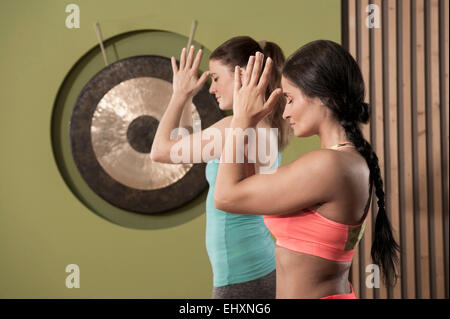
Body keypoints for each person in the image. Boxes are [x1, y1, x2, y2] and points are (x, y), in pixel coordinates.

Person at [214, 40, 400, 299]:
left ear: (324, 97)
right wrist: (248, 123)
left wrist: (241, 119)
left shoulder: (329, 164)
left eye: (290, 99)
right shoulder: (347, 160)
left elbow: (225, 196)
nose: (286, 112)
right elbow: (244, 192)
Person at [150, 36, 290, 298]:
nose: (211, 88)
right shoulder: (265, 127)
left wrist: (179, 95)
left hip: (241, 275)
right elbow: (183, 145)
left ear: (242, 75)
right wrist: (186, 99)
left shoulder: (231, 130)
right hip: (260, 265)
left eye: (215, 78)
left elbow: (160, 152)